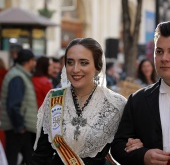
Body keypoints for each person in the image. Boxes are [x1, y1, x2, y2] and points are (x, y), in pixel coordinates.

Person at [31, 37, 127, 165]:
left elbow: (123, 151)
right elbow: (41, 154)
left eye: (84, 63)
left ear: (97, 66)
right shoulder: (54, 98)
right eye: (70, 62)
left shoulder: (116, 104)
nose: (75, 69)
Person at [111, 21, 170, 165]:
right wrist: (143, 155)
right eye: (159, 51)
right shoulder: (138, 100)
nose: (164, 58)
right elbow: (118, 147)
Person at [0, 49, 38, 165]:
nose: (35, 63)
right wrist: (20, 126)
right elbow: (13, 105)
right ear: (30, 61)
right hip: (18, 129)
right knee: (16, 159)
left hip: (19, 127)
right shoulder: (17, 77)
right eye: (34, 60)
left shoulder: (20, 75)